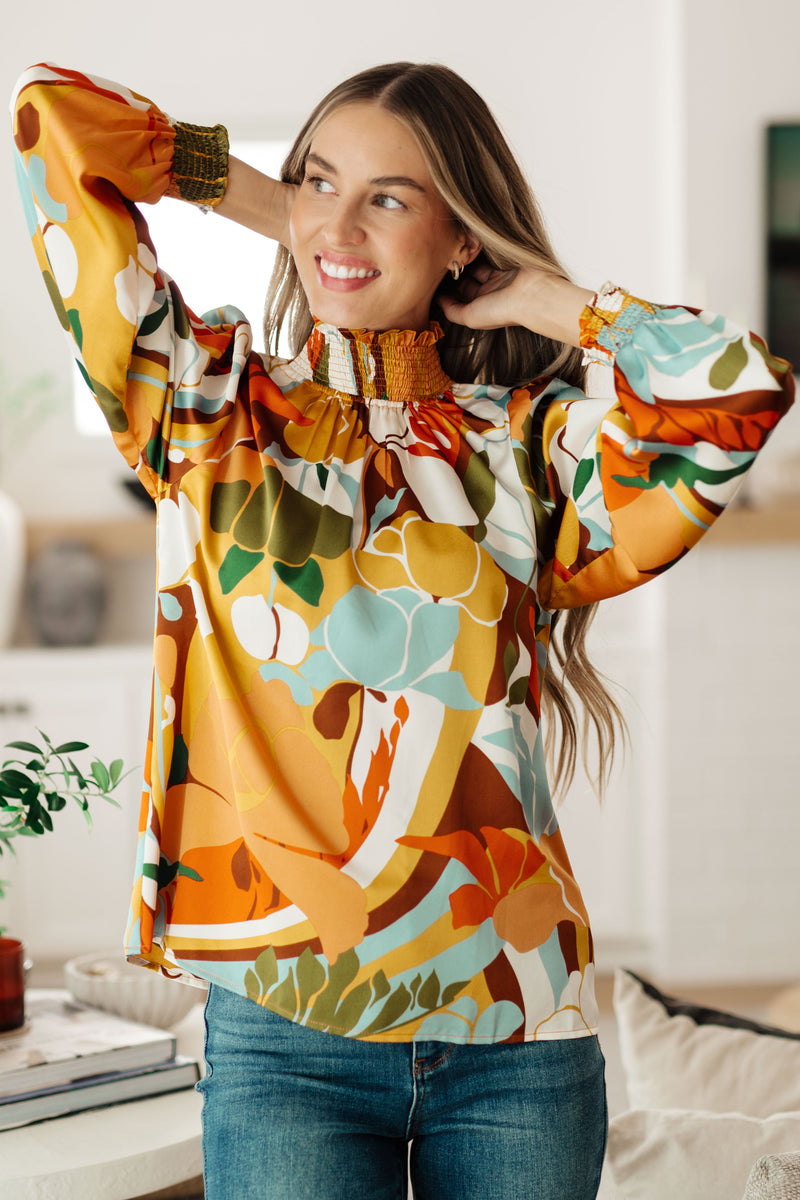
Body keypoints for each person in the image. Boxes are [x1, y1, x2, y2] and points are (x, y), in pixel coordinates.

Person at [11, 60, 793, 1200]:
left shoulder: (528, 450)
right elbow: (50, 121)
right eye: (321, 177)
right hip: (287, 1041)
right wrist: (281, 208)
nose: (338, 216)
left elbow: (733, 386)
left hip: (520, 1032)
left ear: (460, 237)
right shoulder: (206, 408)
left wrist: (546, 300)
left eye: (390, 196)